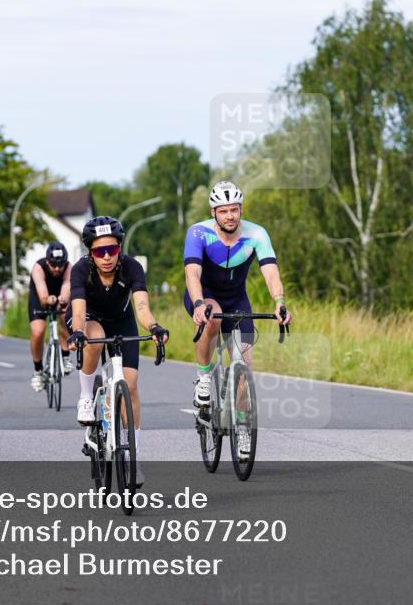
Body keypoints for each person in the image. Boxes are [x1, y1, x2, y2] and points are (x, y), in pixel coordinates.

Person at [183, 181, 292, 454]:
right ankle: (203, 376)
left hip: (237, 300)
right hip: (205, 296)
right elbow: (192, 273)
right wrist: (198, 303)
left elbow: (270, 272)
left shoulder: (257, 234)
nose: (230, 216)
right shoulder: (198, 232)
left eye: (234, 209)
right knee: (212, 317)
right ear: (213, 212)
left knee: (245, 366)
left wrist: (279, 303)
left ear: (241, 209)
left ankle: (242, 427)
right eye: (223, 211)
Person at [67, 216, 169, 488]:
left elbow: (142, 307)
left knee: (131, 385)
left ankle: (132, 458)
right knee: (95, 336)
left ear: (119, 249)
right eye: (99, 251)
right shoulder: (80, 270)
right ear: (90, 252)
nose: (106, 257)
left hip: (122, 321)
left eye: (112, 249)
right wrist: (78, 332)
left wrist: (154, 326)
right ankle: (86, 397)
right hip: (88, 320)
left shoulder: (132, 267)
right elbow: (78, 311)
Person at [28, 242, 73, 391]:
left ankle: (65, 356)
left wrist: (63, 299)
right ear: (47, 261)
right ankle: (38, 370)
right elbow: (42, 294)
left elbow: (66, 287)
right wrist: (47, 299)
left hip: (59, 295)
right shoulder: (38, 267)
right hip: (40, 297)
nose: (57, 269)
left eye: (60, 265)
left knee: (66, 317)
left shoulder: (69, 268)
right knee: (38, 331)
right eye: (54, 265)